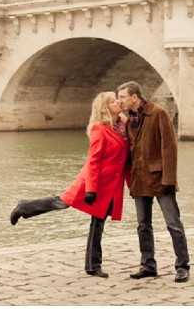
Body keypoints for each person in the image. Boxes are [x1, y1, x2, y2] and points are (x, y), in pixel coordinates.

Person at [9, 91, 129, 278]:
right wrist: (91, 189)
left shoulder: (120, 127)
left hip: (110, 185)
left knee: (96, 222)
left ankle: (92, 265)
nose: (118, 103)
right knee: (62, 203)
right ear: (105, 107)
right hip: (93, 182)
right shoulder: (99, 128)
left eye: (117, 100)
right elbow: (93, 160)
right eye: (113, 101)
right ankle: (24, 207)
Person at [116, 81, 190, 283]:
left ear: (134, 97)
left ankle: (182, 266)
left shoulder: (158, 113)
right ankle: (148, 265)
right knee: (143, 225)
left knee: (173, 223)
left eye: (122, 97)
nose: (119, 100)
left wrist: (169, 179)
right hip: (139, 179)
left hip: (159, 179)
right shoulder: (129, 119)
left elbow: (169, 147)